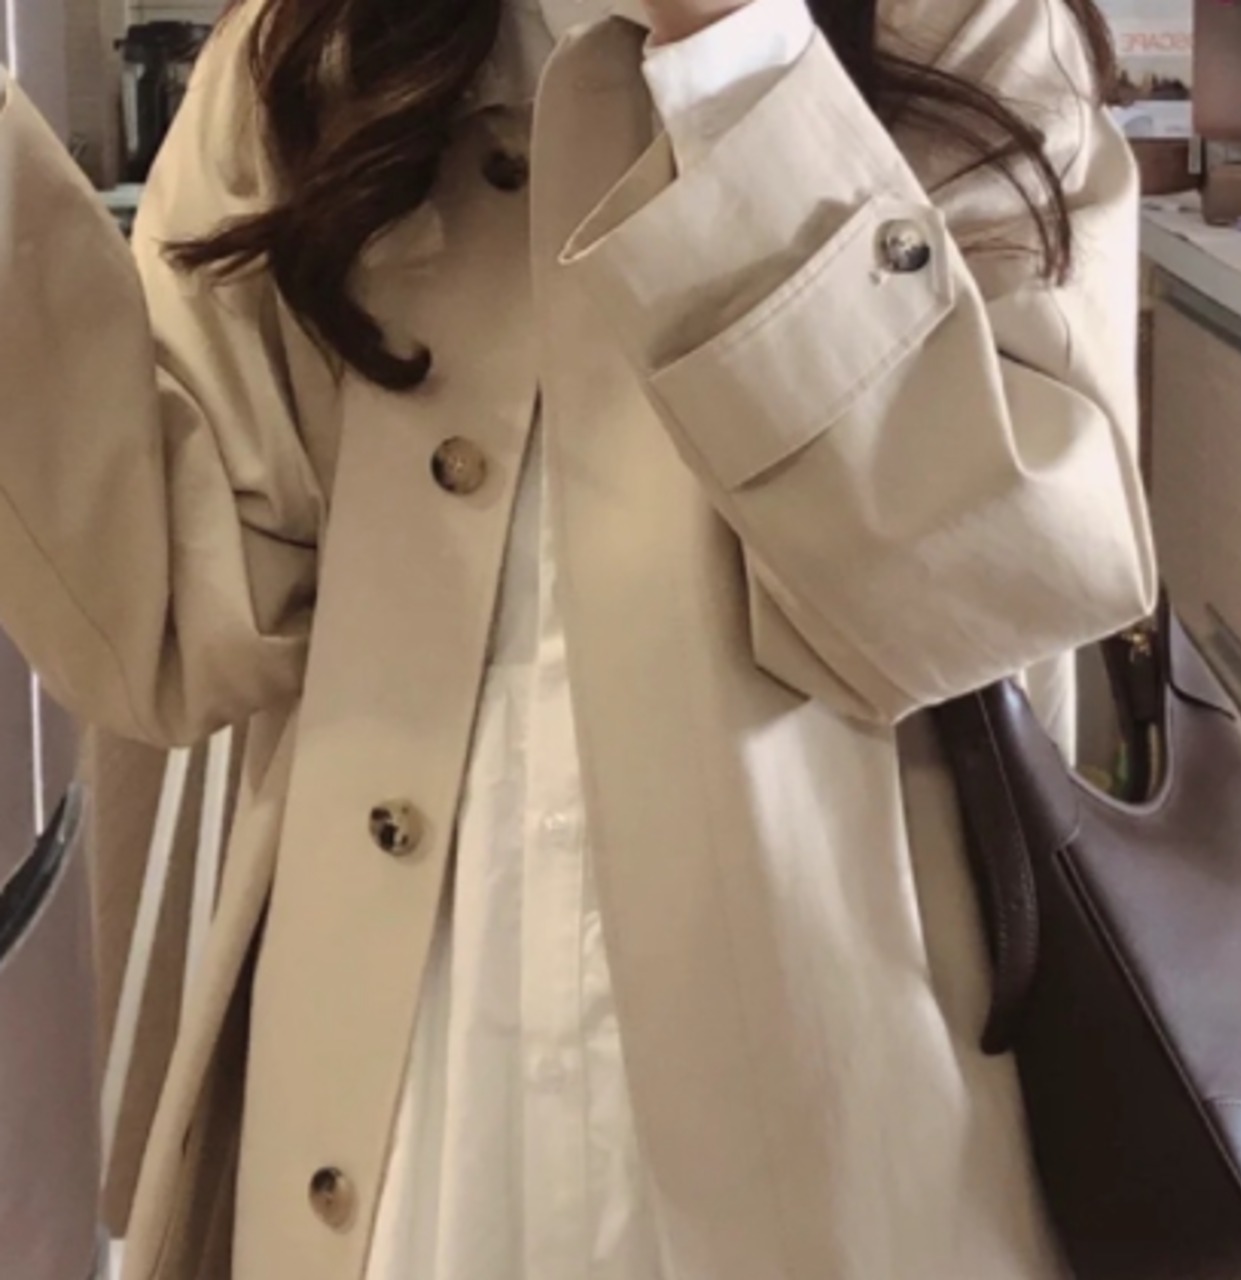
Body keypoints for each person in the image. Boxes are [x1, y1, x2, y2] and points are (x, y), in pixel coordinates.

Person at [0, 0, 1156, 1276]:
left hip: (841, 1135)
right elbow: (168, 602)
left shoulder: (962, 30)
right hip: (411, 1143)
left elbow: (987, 575)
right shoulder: (313, 52)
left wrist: (733, 59)